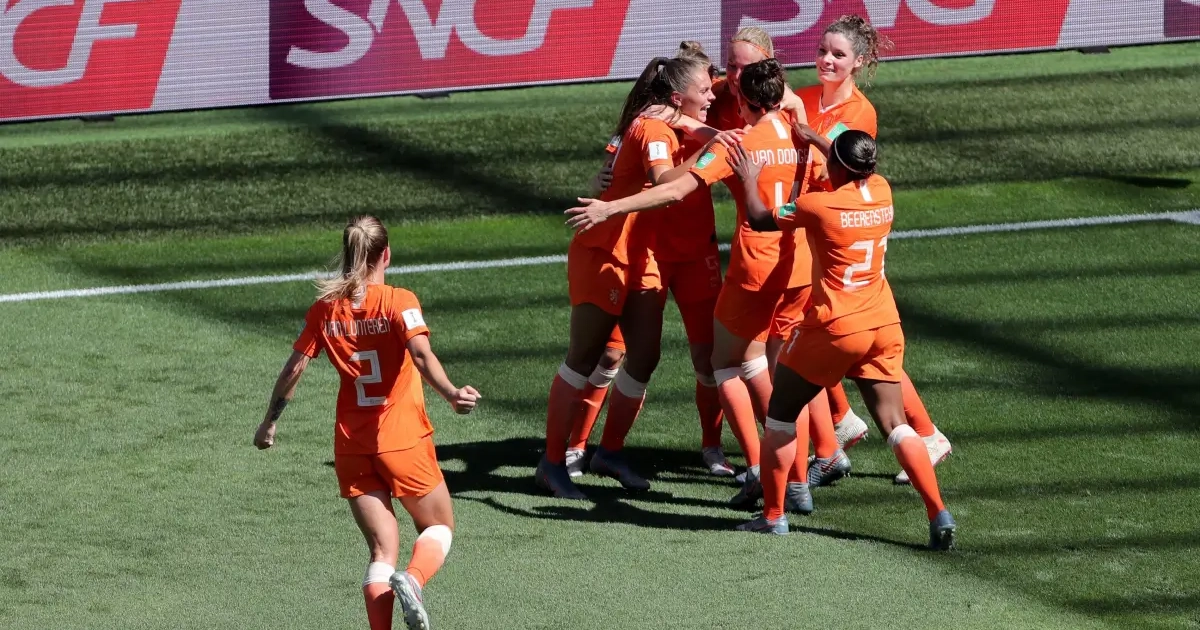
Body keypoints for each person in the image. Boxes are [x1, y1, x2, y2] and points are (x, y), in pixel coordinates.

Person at [566, 58, 819, 510]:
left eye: (720, 84)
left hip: (738, 263)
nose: (714, 93)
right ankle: (584, 447)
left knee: (725, 364)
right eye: (707, 86)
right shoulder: (799, 133)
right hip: (781, 264)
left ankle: (753, 466)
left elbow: (672, 186)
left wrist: (611, 206)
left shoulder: (733, 137)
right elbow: (622, 164)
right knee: (766, 368)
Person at [727, 131, 956, 550]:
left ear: (835, 165)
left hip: (833, 328)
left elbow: (759, 218)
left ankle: (773, 516)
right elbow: (851, 164)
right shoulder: (882, 189)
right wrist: (818, 140)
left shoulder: (819, 205)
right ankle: (938, 511)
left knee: (780, 416)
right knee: (897, 425)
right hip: (883, 324)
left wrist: (748, 178)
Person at [252, 216, 481, 629]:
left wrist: (269, 422)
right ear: (386, 255)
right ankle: (414, 580)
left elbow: (293, 369)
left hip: (351, 448)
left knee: (381, 552)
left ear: (348, 254)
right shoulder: (398, 301)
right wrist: (450, 394)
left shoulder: (325, 310)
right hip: (403, 441)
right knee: (439, 525)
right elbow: (421, 355)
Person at [538, 52, 739, 498]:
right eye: (703, 90)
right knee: (585, 357)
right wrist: (712, 151)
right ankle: (553, 462)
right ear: (677, 96)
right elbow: (665, 182)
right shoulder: (652, 128)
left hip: (638, 253)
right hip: (605, 252)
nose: (711, 96)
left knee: (644, 355)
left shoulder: (668, 119)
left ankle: (609, 452)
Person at [789, 15, 951, 486]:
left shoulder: (861, 113)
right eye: (823, 50)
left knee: (855, 345)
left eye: (838, 54)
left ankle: (925, 433)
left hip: (839, 234)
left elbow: (837, 165)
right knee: (818, 331)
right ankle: (842, 420)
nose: (826, 60)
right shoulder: (804, 97)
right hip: (813, 229)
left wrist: (804, 133)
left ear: (858, 62)